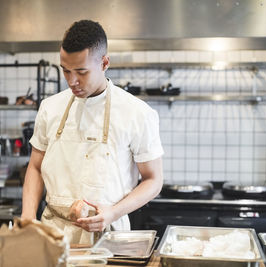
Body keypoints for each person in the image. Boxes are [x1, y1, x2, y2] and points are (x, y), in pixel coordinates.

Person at [21, 19, 164, 244]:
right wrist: (28, 218)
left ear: (104, 62)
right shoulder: (50, 107)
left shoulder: (137, 112)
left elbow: (153, 180)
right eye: (65, 71)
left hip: (109, 237)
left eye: (81, 72)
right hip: (53, 233)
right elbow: (36, 167)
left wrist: (114, 212)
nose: (72, 81)